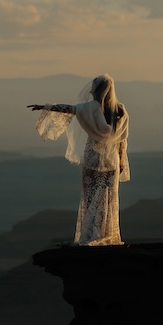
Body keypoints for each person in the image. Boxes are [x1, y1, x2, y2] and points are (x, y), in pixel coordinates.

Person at [28, 74, 130, 245]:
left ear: (96, 90)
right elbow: (122, 140)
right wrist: (120, 161)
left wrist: (45, 107)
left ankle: (90, 234)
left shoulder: (89, 108)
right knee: (109, 198)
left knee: (90, 197)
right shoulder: (120, 110)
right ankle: (105, 232)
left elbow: (70, 109)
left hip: (93, 158)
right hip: (111, 160)